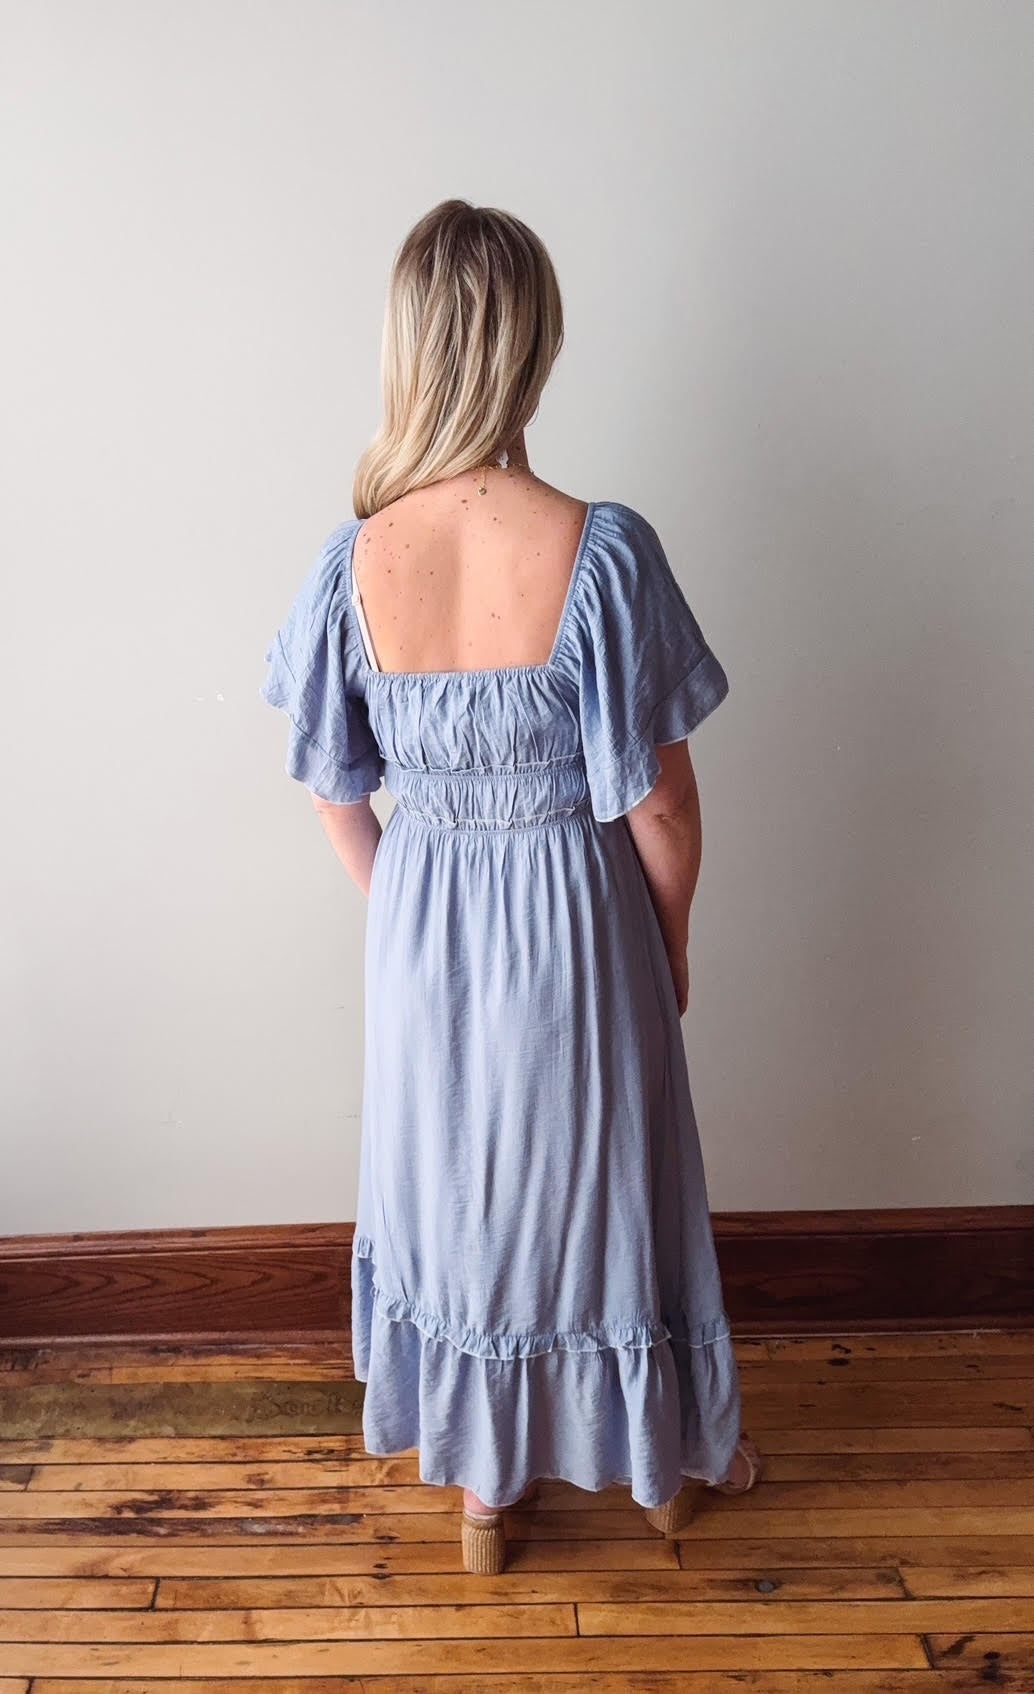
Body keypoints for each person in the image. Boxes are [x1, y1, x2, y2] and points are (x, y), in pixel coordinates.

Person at [260, 198, 762, 1576]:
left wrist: (408, 914)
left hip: (425, 923)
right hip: (578, 914)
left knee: (457, 1189)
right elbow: (657, 800)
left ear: (410, 349)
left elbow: (330, 786)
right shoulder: (601, 552)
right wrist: (669, 940)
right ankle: (656, 1469)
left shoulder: (351, 563)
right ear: (532, 346)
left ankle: (486, 1495)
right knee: (609, 1178)